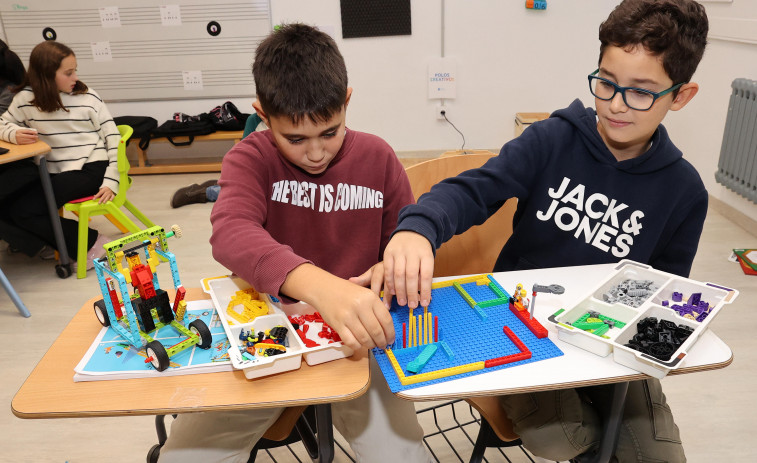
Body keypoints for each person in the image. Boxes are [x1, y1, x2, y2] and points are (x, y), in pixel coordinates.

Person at [377, 1, 709, 462]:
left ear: (681, 95)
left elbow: (667, 295)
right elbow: (473, 191)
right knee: (569, 440)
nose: (615, 104)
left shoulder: (685, 190)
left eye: (640, 92)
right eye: (606, 83)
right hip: (521, 325)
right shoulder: (552, 140)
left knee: (659, 456)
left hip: (609, 344)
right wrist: (417, 228)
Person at [158, 24, 432, 463]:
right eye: (296, 139)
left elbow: (400, 240)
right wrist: (323, 288)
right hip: (265, 333)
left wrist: (391, 263)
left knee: (403, 456)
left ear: (346, 102)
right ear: (262, 115)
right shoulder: (249, 158)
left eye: (330, 132)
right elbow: (230, 232)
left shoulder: (378, 157)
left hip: (356, 342)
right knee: (184, 458)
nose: (317, 153)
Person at [0, 41, 117, 268]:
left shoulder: (87, 97)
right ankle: (48, 244)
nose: (75, 78)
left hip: (90, 167)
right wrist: (14, 133)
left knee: (25, 210)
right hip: (52, 169)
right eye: (68, 73)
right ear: (46, 75)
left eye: (75, 71)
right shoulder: (26, 98)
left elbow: (113, 140)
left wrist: (112, 179)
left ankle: (94, 244)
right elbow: (3, 123)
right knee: (8, 204)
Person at [169, 113, 265, 208]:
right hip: (257, 178)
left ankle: (221, 185)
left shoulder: (278, 120)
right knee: (247, 196)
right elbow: (244, 157)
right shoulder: (254, 120)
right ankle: (202, 193)